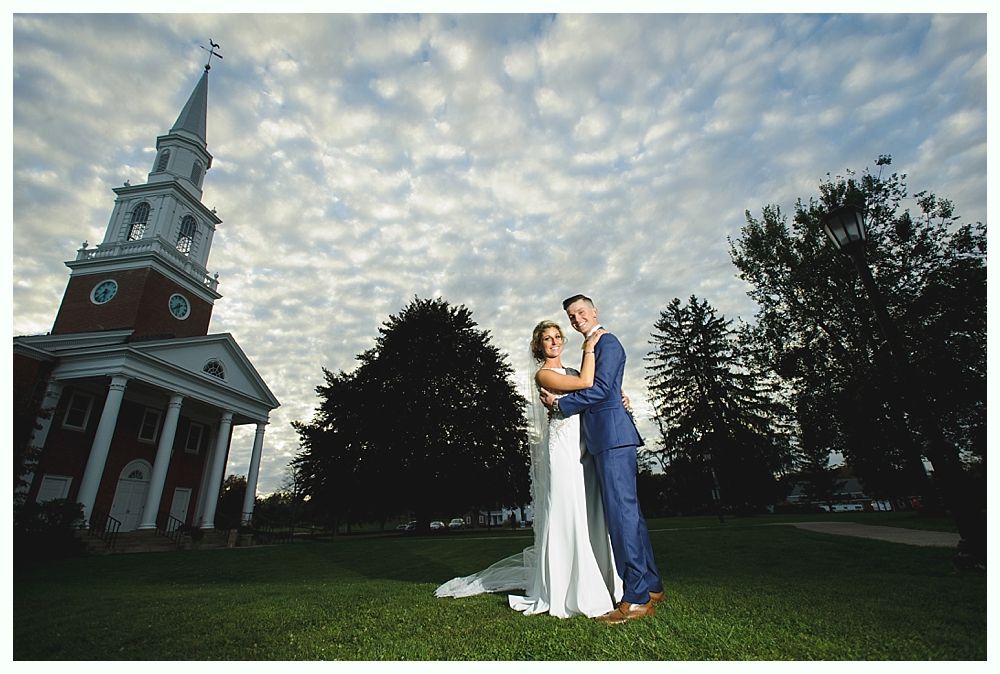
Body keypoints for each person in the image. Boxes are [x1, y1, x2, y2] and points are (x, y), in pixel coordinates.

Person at [435, 319, 622, 619]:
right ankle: (565, 589)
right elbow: (588, 384)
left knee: (589, 510)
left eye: (558, 336)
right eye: (547, 338)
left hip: (584, 446)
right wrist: (590, 345)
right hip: (562, 448)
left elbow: (595, 393)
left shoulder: (573, 370)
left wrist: (618, 396)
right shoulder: (544, 374)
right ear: (539, 346)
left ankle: (602, 579)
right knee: (566, 510)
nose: (554, 341)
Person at [540, 294, 664, 625]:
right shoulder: (593, 346)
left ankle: (636, 599)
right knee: (630, 515)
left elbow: (600, 388)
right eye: (571, 315)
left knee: (622, 517)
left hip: (611, 437)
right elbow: (603, 388)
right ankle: (651, 586)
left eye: (581, 311)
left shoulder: (605, 343)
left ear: (595, 311)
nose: (576, 318)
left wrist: (560, 405)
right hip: (606, 437)